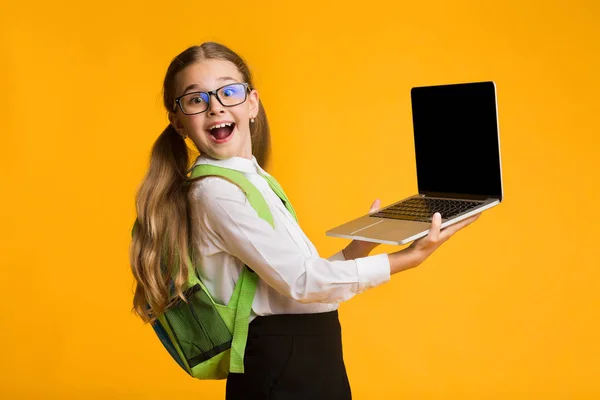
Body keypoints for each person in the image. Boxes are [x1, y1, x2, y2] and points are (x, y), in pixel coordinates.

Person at [129, 42, 480, 399]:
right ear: (178, 122)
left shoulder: (251, 181)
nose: (215, 105)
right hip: (282, 363)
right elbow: (303, 283)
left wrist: (359, 247)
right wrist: (407, 259)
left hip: (306, 354)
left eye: (228, 91)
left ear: (252, 103)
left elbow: (298, 284)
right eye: (196, 99)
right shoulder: (218, 193)